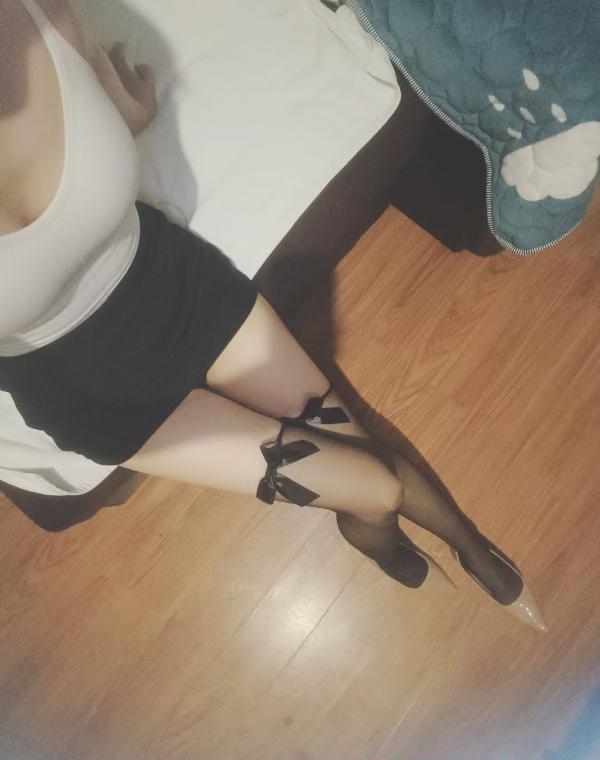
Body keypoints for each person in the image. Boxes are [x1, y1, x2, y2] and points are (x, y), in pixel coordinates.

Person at [0, 0, 547, 631]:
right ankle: (408, 544)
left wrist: (119, 123)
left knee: (354, 446)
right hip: (94, 392)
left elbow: (97, 107)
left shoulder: (41, 13)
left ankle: (471, 547)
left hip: (173, 285)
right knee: (374, 487)